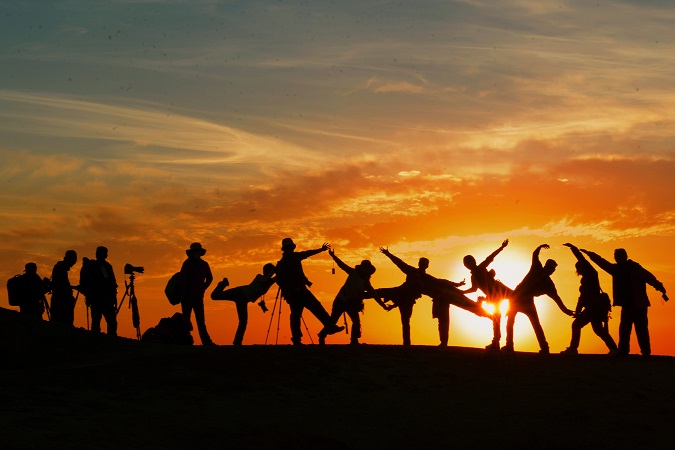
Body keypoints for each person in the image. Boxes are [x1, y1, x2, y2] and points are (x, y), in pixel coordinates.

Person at [580, 247, 668, 356]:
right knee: (625, 329)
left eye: (619, 256)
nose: (618, 258)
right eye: (616, 257)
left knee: (640, 330)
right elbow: (602, 262)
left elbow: (649, 277)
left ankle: (645, 353)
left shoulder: (635, 268)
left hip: (639, 305)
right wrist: (590, 254)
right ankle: (624, 352)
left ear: (625, 256)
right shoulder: (616, 269)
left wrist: (660, 287)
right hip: (627, 305)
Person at [503, 244, 574, 354]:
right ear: (546, 267)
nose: (552, 271)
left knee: (535, 324)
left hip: (526, 301)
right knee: (511, 322)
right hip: (517, 298)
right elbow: (535, 254)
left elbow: (557, 299)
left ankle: (544, 348)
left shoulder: (549, 284)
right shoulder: (537, 268)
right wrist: (540, 247)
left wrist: (566, 310)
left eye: (553, 269)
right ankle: (509, 345)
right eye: (551, 268)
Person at [274, 238, 343, 345]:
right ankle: (327, 328)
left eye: (290, 248)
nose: (290, 250)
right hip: (296, 293)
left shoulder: (283, 262)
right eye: (289, 248)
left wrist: (321, 250)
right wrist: (321, 249)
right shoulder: (288, 260)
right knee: (307, 311)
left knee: (305, 312)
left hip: (298, 292)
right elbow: (280, 280)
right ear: (287, 249)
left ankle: (300, 338)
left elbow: (307, 254)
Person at [319, 249, 391, 345]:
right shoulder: (353, 273)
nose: (366, 269)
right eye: (365, 267)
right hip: (341, 300)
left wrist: (383, 305)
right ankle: (322, 336)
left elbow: (374, 294)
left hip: (351, 303)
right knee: (333, 320)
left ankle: (354, 340)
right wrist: (333, 256)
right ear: (362, 268)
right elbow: (342, 265)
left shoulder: (366, 282)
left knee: (356, 322)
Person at [560, 243, 617, 355]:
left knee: (576, 325)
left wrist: (574, 249)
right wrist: (578, 310)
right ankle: (614, 349)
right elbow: (582, 298)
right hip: (594, 308)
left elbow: (582, 259)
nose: (578, 271)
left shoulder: (591, 274)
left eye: (579, 268)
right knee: (598, 330)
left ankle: (573, 349)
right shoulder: (588, 277)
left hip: (592, 308)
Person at [461, 239, 513, 350]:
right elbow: (474, 289)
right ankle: (496, 342)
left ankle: (501, 343)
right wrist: (462, 292)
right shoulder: (473, 276)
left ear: (474, 261)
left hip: (499, 292)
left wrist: (502, 247)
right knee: (496, 319)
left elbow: (490, 257)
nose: (469, 264)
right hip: (492, 298)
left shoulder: (480, 268)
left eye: (470, 261)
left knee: (498, 318)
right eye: (466, 263)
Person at [372, 247, 427, 346]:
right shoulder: (412, 271)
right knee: (379, 292)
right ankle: (406, 343)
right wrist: (388, 254)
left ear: (426, 266)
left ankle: (406, 343)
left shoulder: (427, 279)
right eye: (421, 262)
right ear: (419, 264)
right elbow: (399, 263)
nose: (421, 264)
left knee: (405, 321)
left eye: (423, 263)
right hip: (399, 293)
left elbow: (441, 282)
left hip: (408, 299)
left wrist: (457, 285)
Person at [211, 263, 277, 345]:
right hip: (239, 292)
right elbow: (266, 279)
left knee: (243, 321)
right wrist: (274, 270)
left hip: (243, 299)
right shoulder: (259, 277)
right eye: (266, 270)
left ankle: (237, 342)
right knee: (214, 296)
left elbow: (276, 278)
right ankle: (223, 284)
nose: (266, 272)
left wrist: (279, 270)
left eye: (268, 270)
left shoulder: (269, 281)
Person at [420, 272, 490, 347]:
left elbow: (448, 283)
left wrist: (459, 285)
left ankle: (443, 342)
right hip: (440, 301)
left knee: (444, 322)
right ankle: (443, 342)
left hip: (443, 300)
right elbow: (449, 283)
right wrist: (459, 285)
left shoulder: (435, 282)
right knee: (443, 322)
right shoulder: (426, 283)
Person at [179, 242, 215, 346]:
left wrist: (203, 287)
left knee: (200, 321)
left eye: (197, 251)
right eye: (195, 251)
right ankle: (185, 342)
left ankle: (206, 342)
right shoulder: (187, 264)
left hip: (197, 296)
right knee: (186, 320)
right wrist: (183, 293)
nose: (196, 253)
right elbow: (183, 280)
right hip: (187, 296)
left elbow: (210, 278)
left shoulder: (204, 264)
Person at [79, 246, 118, 336]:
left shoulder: (96, 266)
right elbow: (112, 283)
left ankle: (98, 340)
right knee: (107, 322)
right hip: (102, 299)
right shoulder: (103, 266)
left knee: (99, 322)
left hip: (99, 299)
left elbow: (112, 284)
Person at [50, 250, 78, 326]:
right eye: (74, 260)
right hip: (61, 301)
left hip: (59, 299)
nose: (74, 263)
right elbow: (61, 285)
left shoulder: (60, 267)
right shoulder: (60, 268)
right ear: (70, 259)